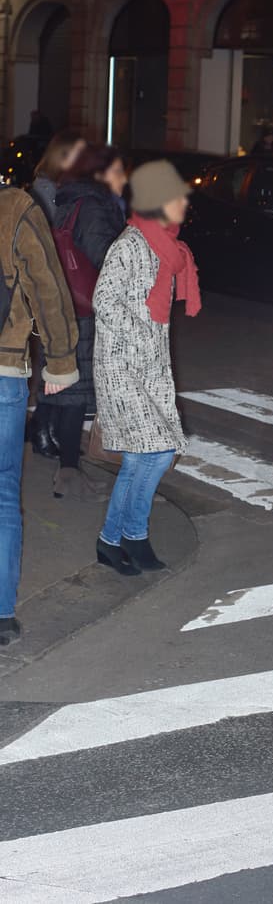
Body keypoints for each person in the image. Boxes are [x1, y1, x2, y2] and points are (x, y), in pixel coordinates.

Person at [93, 160, 201, 575]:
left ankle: (109, 541)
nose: (183, 205)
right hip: (121, 368)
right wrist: (138, 329)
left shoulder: (167, 247)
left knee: (143, 458)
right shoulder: (132, 244)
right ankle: (134, 536)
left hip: (150, 368)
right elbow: (105, 301)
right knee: (156, 453)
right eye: (177, 198)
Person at [1, 183, 78, 645]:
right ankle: (2, 615)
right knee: (4, 491)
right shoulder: (15, 207)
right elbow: (48, 287)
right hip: (4, 369)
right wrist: (61, 361)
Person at [47, 145, 126, 500]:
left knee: (71, 391)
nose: (124, 178)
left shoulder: (71, 201)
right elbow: (106, 257)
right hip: (85, 309)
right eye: (118, 171)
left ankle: (69, 470)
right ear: (100, 173)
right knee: (75, 395)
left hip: (67, 304)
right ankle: (68, 473)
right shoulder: (93, 207)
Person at [27, 131, 87, 460]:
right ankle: (42, 426)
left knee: (58, 356)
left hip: (62, 278)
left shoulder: (56, 186)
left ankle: (42, 424)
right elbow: (49, 234)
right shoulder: (45, 188)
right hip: (52, 281)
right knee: (57, 355)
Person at [30, 131, 86, 223]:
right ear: (62, 156)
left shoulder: (72, 182)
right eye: (79, 153)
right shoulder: (45, 188)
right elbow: (56, 226)